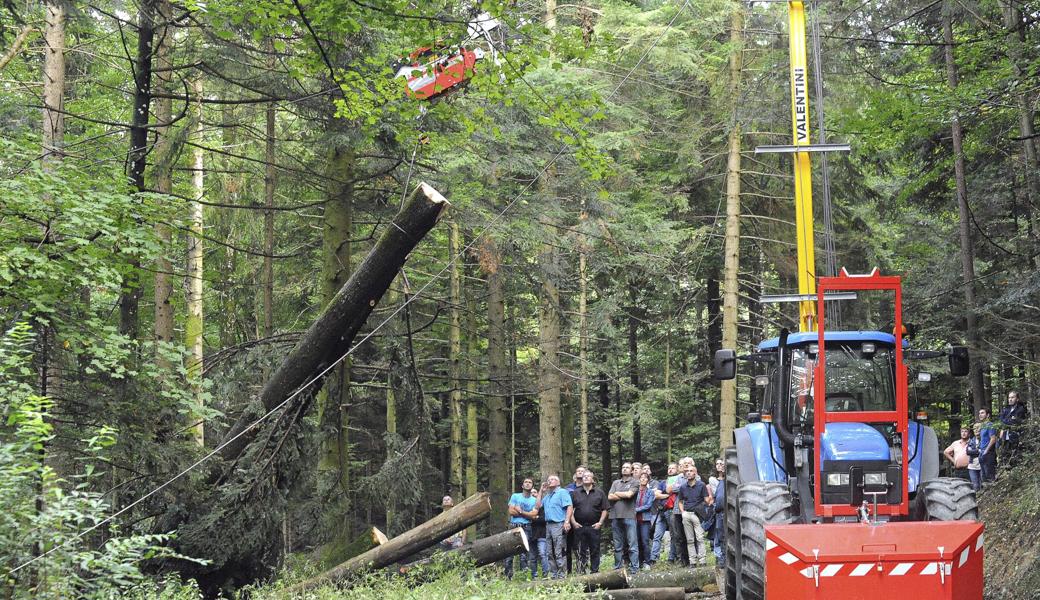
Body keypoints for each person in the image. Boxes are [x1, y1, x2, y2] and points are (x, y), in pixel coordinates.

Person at [570, 470, 609, 574]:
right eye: (584, 476)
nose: (586, 478)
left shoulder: (599, 492)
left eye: (588, 476)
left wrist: (600, 523)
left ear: (592, 479)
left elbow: (605, 509)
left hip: (594, 526)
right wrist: (573, 523)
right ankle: (581, 571)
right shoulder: (575, 492)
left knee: (595, 549)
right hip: (579, 526)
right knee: (580, 550)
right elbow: (570, 509)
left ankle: (594, 571)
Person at [536, 475, 573, 579]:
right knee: (549, 551)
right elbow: (537, 506)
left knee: (559, 550)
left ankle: (562, 575)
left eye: (552, 479)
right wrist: (541, 491)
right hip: (548, 525)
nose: (549, 481)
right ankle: (554, 574)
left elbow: (569, 506)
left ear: (558, 482)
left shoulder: (562, 492)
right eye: (548, 480)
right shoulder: (547, 496)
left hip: (559, 524)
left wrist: (567, 521)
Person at [608, 462, 640, 574]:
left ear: (631, 471)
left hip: (629, 516)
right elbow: (609, 496)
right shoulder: (616, 482)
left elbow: (629, 495)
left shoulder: (635, 482)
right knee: (617, 545)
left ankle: (634, 568)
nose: (625, 469)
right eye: (623, 467)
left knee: (632, 544)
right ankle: (618, 568)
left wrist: (617, 493)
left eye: (627, 468)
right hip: (615, 516)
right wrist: (622, 494)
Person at [678, 465, 713, 567]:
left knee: (700, 538)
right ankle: (692, 561)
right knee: (689, 539)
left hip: (697, 514)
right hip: (686, 514)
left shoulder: (701, 485)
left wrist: (709, 502)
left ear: (695, 473)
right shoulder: (683, 487)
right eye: (687, 471)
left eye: (691, 471)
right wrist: (682, 512)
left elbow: (707, 500)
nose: (688, 472)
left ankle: (702, 560)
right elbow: (680, 501)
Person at [504, 478, 539, 579]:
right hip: (513, 526)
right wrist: (527, 514)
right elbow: (511, 512)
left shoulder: (534, 500)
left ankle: (524, 577)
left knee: (524, 554)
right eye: (526, 482)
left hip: (526, 528)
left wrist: (520, 512)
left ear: (532, 486)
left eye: (530, 483)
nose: (528, 484)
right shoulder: (515, 496)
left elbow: (534, 515)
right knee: (509, 553)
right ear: (522, 486)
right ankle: (508, 577)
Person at [667, 459, 692, 566]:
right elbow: (672, 489)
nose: (684, 466)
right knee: (679, 536)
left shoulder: (696, 475)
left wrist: (679, 487)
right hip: (677, 510)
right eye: (682, 465)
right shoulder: (678, 477)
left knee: (690, 536)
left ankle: (692, 559)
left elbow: (683, 488)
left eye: (686, 464)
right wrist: (682, 486)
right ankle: (682, 560)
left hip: (690, 509)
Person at [564, 465, 586, 573]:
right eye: (578, 471)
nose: (580, 473)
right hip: (567, 520)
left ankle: (581, 569)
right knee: (567, 546)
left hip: (581, 521)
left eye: (582, 471)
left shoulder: (587, 487)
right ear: (575, 474)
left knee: (580, 546)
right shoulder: (568, 488)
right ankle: (568, 571)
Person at [999, 391, 1029, 469]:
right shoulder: (1006, 409)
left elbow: (1015, 422)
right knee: (1005, 459)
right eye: (1009, 397)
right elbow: (1001, 420)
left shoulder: (1021, 409)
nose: (1010, 399)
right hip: (1005, 438)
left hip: (1015, 438)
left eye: (1012, 397)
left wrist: (1007, 421)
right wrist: (1009, 420)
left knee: (1015, 460)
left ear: (1017, 399)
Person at [634, 472, 657, 569]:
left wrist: (636, 510)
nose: (643, 479)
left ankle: (647, 562)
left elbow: (648, 506)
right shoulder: (635, 491)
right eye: (641, 478)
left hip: (645, 520)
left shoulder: (650, 492)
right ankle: (638, 562)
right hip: (634, 520)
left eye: (645, 478)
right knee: (637, 542)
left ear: (648, 480)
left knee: (645, 541)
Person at [978, 408, 998, 483]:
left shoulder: (990, 425)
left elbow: (993, 439)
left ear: (988, 415)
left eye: (982, 413)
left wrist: (986, 451)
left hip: (989, 453)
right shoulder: (983, 426)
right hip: (982, 453)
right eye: (979, 413)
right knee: (983, 477)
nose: (980, 414)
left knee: (989, 475)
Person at [966, 423, 983, 491]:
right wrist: (978, 450)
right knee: (975, 486)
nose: (976, 430)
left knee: (983, 485)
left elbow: (985, 450)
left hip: (982, 465)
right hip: (972, 466)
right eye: (974, 428)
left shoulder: (985, 439)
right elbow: (968, 452)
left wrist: (974, 451)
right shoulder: (971, 440)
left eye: (978, 428)